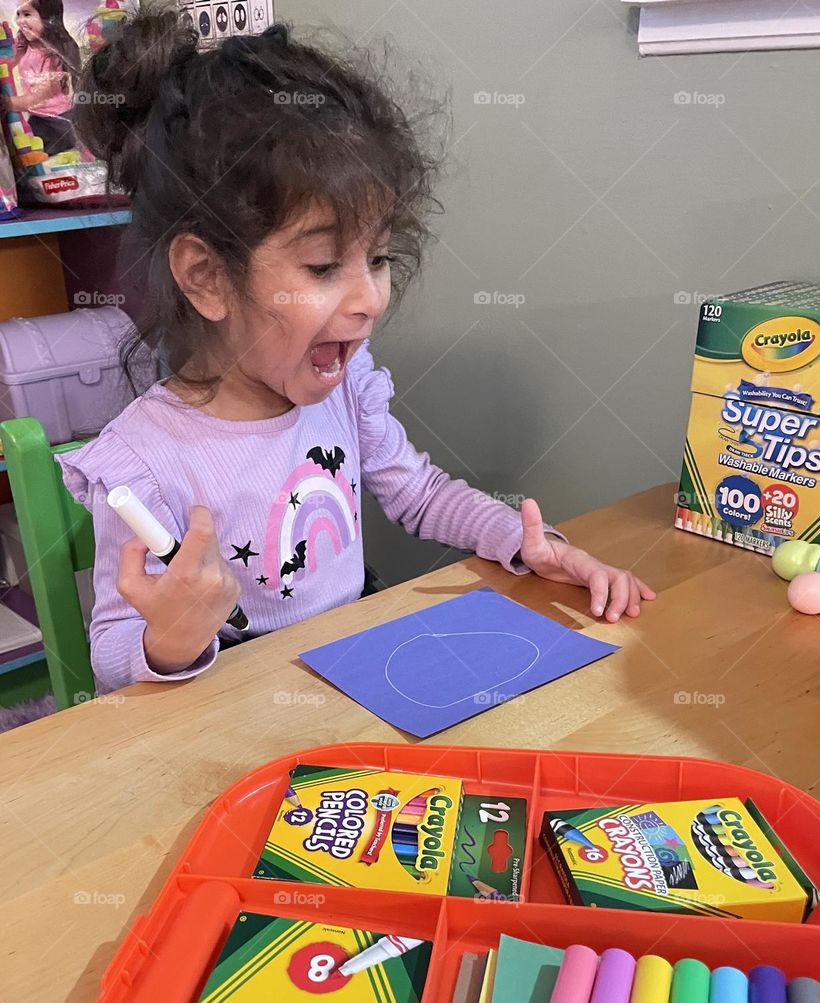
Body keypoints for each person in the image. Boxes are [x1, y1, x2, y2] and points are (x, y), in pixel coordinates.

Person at [60, 8, 655, 693]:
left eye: (377, 258)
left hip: (355, 692)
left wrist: (523, 542)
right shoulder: (141, 463)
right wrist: (168, 639)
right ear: (207, 277)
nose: (371, 298)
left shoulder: (344, 387)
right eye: (322, 267)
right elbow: (109, 650)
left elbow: (420, 492)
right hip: (230, 723)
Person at [4, 0, 79, 155]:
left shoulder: (54, 56)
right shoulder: (24, 43)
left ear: (48, 18)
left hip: (59, 123)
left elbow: (37, 98)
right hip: (37, 118)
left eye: (27, 14)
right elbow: (9, 62)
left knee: (32, 155)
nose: (19, 20)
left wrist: (6, 102)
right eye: (18, 14)